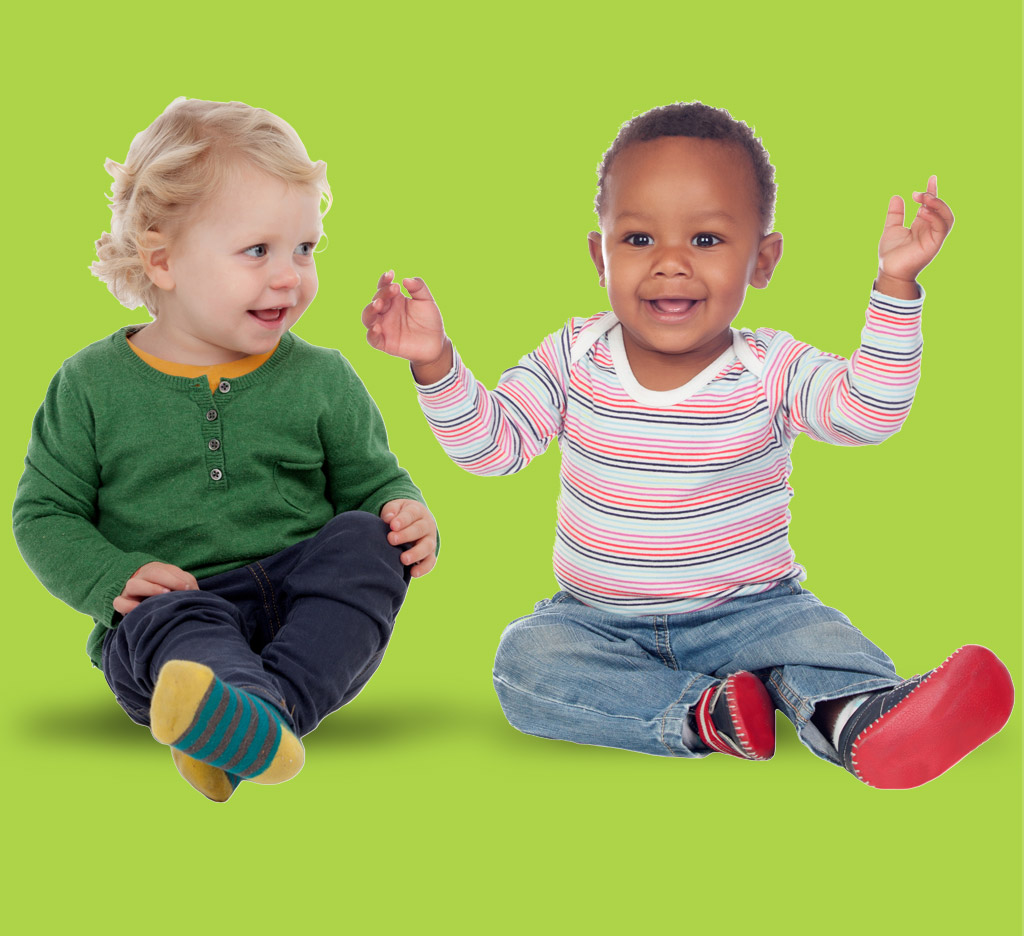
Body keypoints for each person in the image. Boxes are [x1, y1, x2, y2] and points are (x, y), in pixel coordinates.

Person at [361, 101, 1012, 788]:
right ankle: (707, 715)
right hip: (599, 623)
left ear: (763, 261)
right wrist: (434, 362)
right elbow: (493, 448)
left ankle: (863, 718)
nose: (670, 265)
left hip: (753, 611)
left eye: (706, 240)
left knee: (817, 643)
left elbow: (867, 414)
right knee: (525, 662)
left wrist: (896, 285)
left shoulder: (771, 368)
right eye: (640, 240)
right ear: (599, 255)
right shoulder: (572, 355)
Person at [13, 98, 438, 801]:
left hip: (306, 608)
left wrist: (404, 512)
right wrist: (112, 577)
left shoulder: (323, 377)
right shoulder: (90, 385)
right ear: (163, 260)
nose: (289, 276)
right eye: (257, 251)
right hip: (176, 614)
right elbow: (44, 514)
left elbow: (373, 482)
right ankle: (246, 716)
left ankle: (256, 722)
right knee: (175, 620)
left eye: (305, 248)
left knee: (367, 541)